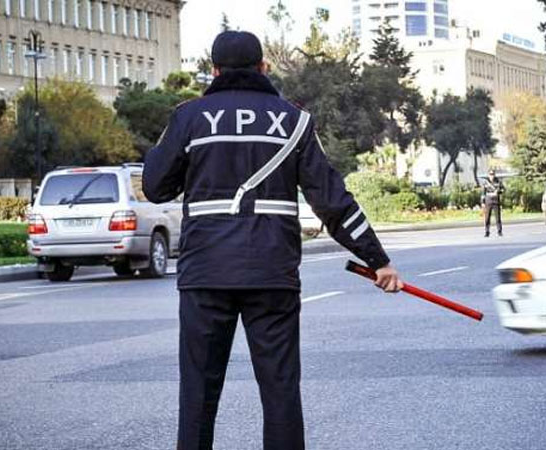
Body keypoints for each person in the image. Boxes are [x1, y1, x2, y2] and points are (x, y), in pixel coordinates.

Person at [142, 31, 403, 450]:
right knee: (280, 391)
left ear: (214, 71)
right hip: (272, 274)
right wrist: (378, 260)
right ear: (264, 68)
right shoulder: (294, 121)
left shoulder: (189, 117)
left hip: (205, 275)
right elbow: (332, 201)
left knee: (198, 395)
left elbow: (155, 187)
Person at [482, 169, 504, 237]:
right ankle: (487, 231)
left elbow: (503, 189)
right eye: (490, 174)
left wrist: (498, 192)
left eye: (493, 174)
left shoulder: (498, 181)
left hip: (496, 200)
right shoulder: (485, 182)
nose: (492, 175)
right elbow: (483, 193)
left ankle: (499, 231)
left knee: (498, 218)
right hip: (488, 200)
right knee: (487, 218)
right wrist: (483, 202)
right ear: (488, 175)